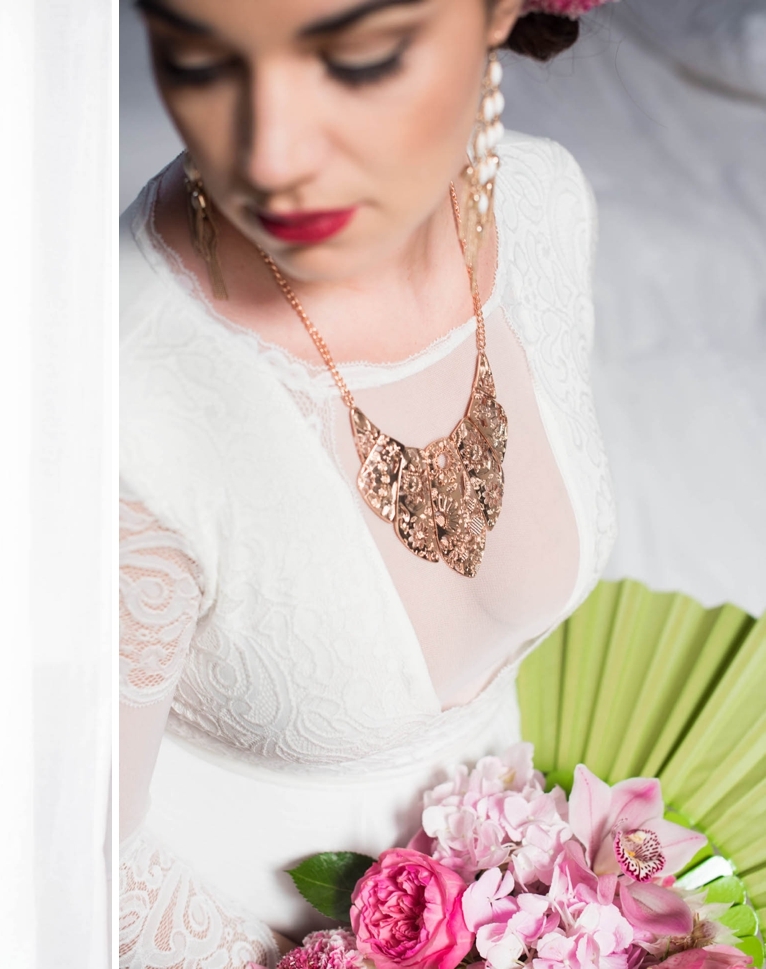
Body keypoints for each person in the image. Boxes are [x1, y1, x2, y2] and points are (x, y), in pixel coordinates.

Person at [118, 0, 616, 965]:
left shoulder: (543, 204)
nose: (269, 156)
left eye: (360, 58)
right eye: (198, 58)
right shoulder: (123, 383)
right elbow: (72, 847)